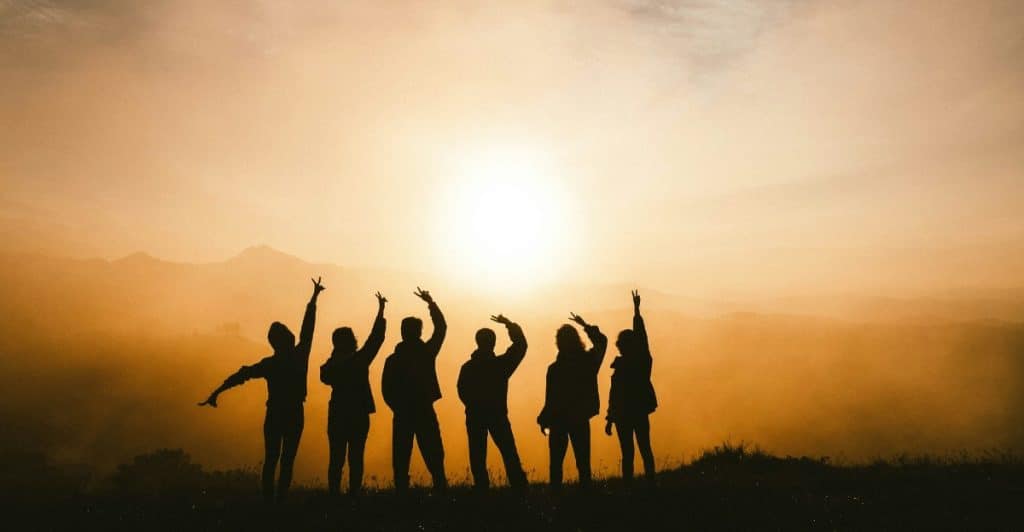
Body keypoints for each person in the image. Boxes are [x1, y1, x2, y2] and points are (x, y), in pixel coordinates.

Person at [199, 277, 325, 503]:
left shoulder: (270, 364)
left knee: (271, 459)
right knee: (287, 461)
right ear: (287, 338)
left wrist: (216, 392)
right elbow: (308, 328)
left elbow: (241, 375)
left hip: (275, 413)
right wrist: (313, 299)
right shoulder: (299, 355)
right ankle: (280, 501)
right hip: (294, 413)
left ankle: (268, 503)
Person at [320, 291, 387, 497]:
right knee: (356, 457)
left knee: (336, 458)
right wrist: (381, 311)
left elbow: (324, 377)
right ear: (352, 341)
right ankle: (354, 494)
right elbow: (376, 339)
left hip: (338, 413)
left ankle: (334, 494)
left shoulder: (330, 365)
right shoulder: (359, 360)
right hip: (358, 414)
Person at [381, 287, 448, 493]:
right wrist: (431, 303)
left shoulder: (394, 359)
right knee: (433, 453)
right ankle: (440, 488)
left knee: (401, 455)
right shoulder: (426, 353)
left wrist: (397, 407)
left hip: (402, 412)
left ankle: (402, 491)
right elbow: (441, 328)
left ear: (402, 332)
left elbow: (386, 389)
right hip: (423, 409)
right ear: (419, 332)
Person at [457, 314, 529, 492]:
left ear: (477, 342)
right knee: (509, 452)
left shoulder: (468, 367)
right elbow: (521, 345)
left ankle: (482, 490)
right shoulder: (500, 365)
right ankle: (519, 488)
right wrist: (509, 325)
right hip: (497, 415)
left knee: (477, 455)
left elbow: (462, 390)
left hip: (475, 415)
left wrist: (473, 405)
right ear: (493, 343)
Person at [537, 312, 607, 490]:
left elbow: (550, 399)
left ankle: (556, 499)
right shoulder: (588, 362)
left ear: (558, 343)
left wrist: (544, 419)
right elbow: (602, 342)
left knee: (556, 465)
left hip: (558, 420)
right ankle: (586, 498)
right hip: (579, 418)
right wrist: (586, 326)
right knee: (583, 464)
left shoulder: (554, 369)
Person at [604, 290, 658, 486]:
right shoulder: (641, 363)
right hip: (635, 412)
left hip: (624, 415)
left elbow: (642, 338)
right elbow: (614, 396)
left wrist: (636, 312)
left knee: (630, 452)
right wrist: (610, 418)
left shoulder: (637, 362)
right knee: (642, 448)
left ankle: (630, 486)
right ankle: (649, 482)